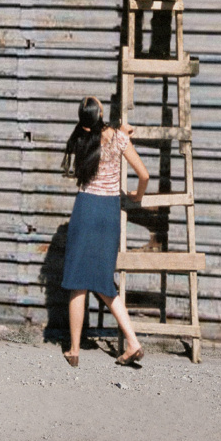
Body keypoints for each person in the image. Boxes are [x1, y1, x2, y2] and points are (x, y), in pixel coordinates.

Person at [60, 96, 149, 367]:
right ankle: (133, 341)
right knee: (104, 281)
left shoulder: (80, 137)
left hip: (86, 208)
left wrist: (119, 128)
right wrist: (137, 196)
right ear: (100, 113)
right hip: (109, 211)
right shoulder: (118, 138)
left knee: (77, 281)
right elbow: (144, 175)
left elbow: (96, 132)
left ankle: (74, 350)